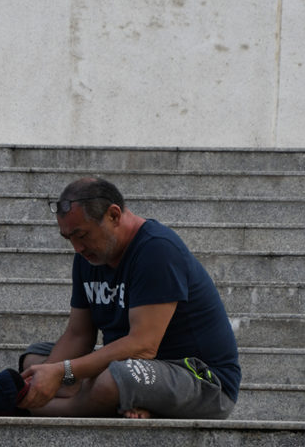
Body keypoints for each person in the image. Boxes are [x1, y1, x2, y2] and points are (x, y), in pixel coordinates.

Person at [19, 176, 240, 419]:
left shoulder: (157, 249)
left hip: (199, 381)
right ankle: (112, 401)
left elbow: (142, 346)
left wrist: (63, 373)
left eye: (82, 235)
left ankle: (38, 409)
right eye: (69, 238)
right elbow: (78, 335)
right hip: (134, 365)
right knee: (35, 360)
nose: (77, 248)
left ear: (114, 215)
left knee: (115, 379)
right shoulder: (89, 258)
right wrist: (50, 373)